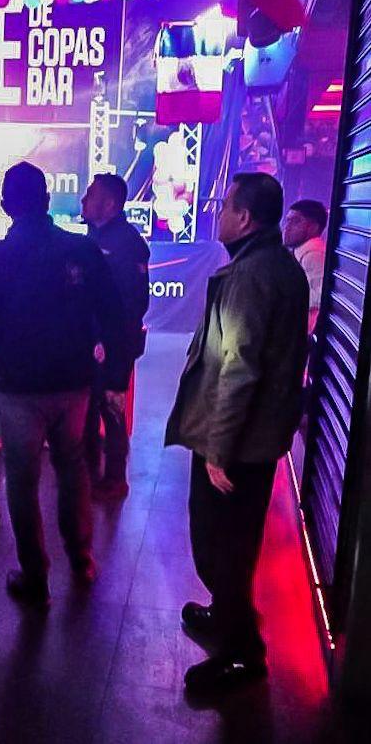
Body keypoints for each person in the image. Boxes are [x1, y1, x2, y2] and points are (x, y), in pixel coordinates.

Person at [0, 162, 125, 607]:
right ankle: (82, 559)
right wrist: (105, 363)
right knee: (74, 468)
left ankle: (35, 576)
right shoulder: (81, 250)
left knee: (23, 479)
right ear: (47, 200)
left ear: (6, 205)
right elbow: (113, 312)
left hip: (17, 385)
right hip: (73, 383)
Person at [165, 173, 309, 696]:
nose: (218, 213)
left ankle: (242, 654)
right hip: (256, 437)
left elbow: (239, 368)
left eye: (225, 206)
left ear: (244, 218)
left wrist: (218, 451)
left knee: (218, 546)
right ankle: (226, 613)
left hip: (237, 444)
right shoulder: (276, 264)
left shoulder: (251, 275)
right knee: (232, 543)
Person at [81, 173, 150, 499]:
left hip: (113, 344)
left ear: (109, 204)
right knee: (88, 410)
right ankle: (89, 474)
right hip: (89, 341)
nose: (83, 200)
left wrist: (110, 345)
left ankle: (114, 478)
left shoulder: (126, 243)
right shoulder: (93, 237)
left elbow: (133, 303)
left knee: (111, 407)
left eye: (90, 195)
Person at [284, 199, 328, 334]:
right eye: (288, 220)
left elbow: (320, 295)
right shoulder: (301, 251)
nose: (287, 227)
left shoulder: (313, 253)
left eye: (296, 221)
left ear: (313, 227)